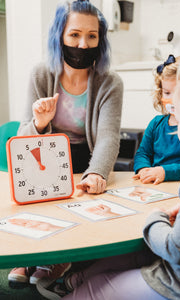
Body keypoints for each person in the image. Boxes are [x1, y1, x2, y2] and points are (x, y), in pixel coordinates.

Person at [37, 40, 180, 300]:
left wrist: (153, 218)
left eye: (178, 115)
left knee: (100, 288)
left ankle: (77, 290)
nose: (174, 121)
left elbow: (176, 249)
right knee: (131, 257)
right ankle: (74, 280)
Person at [8, 0, 123, 288]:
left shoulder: (111, 83)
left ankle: (59, 257)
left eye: (92, 36)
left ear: (100, 40)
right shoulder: (41, 74)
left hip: (86, 156)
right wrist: (38, 122)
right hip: (43, 154)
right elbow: (23, 139)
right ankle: (25, 256)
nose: (83, 44)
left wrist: (97, 173)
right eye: (74, 35)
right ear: (59, 36)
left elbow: (109, 135)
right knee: (34, 197)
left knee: (79, 207)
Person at [132, 54, 180, 185]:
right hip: (154, 185)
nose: (173, 99)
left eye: (179, 93)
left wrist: (164, 172)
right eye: (167, 93)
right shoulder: (156, 124)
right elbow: (143, 153)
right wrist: (143, 169)